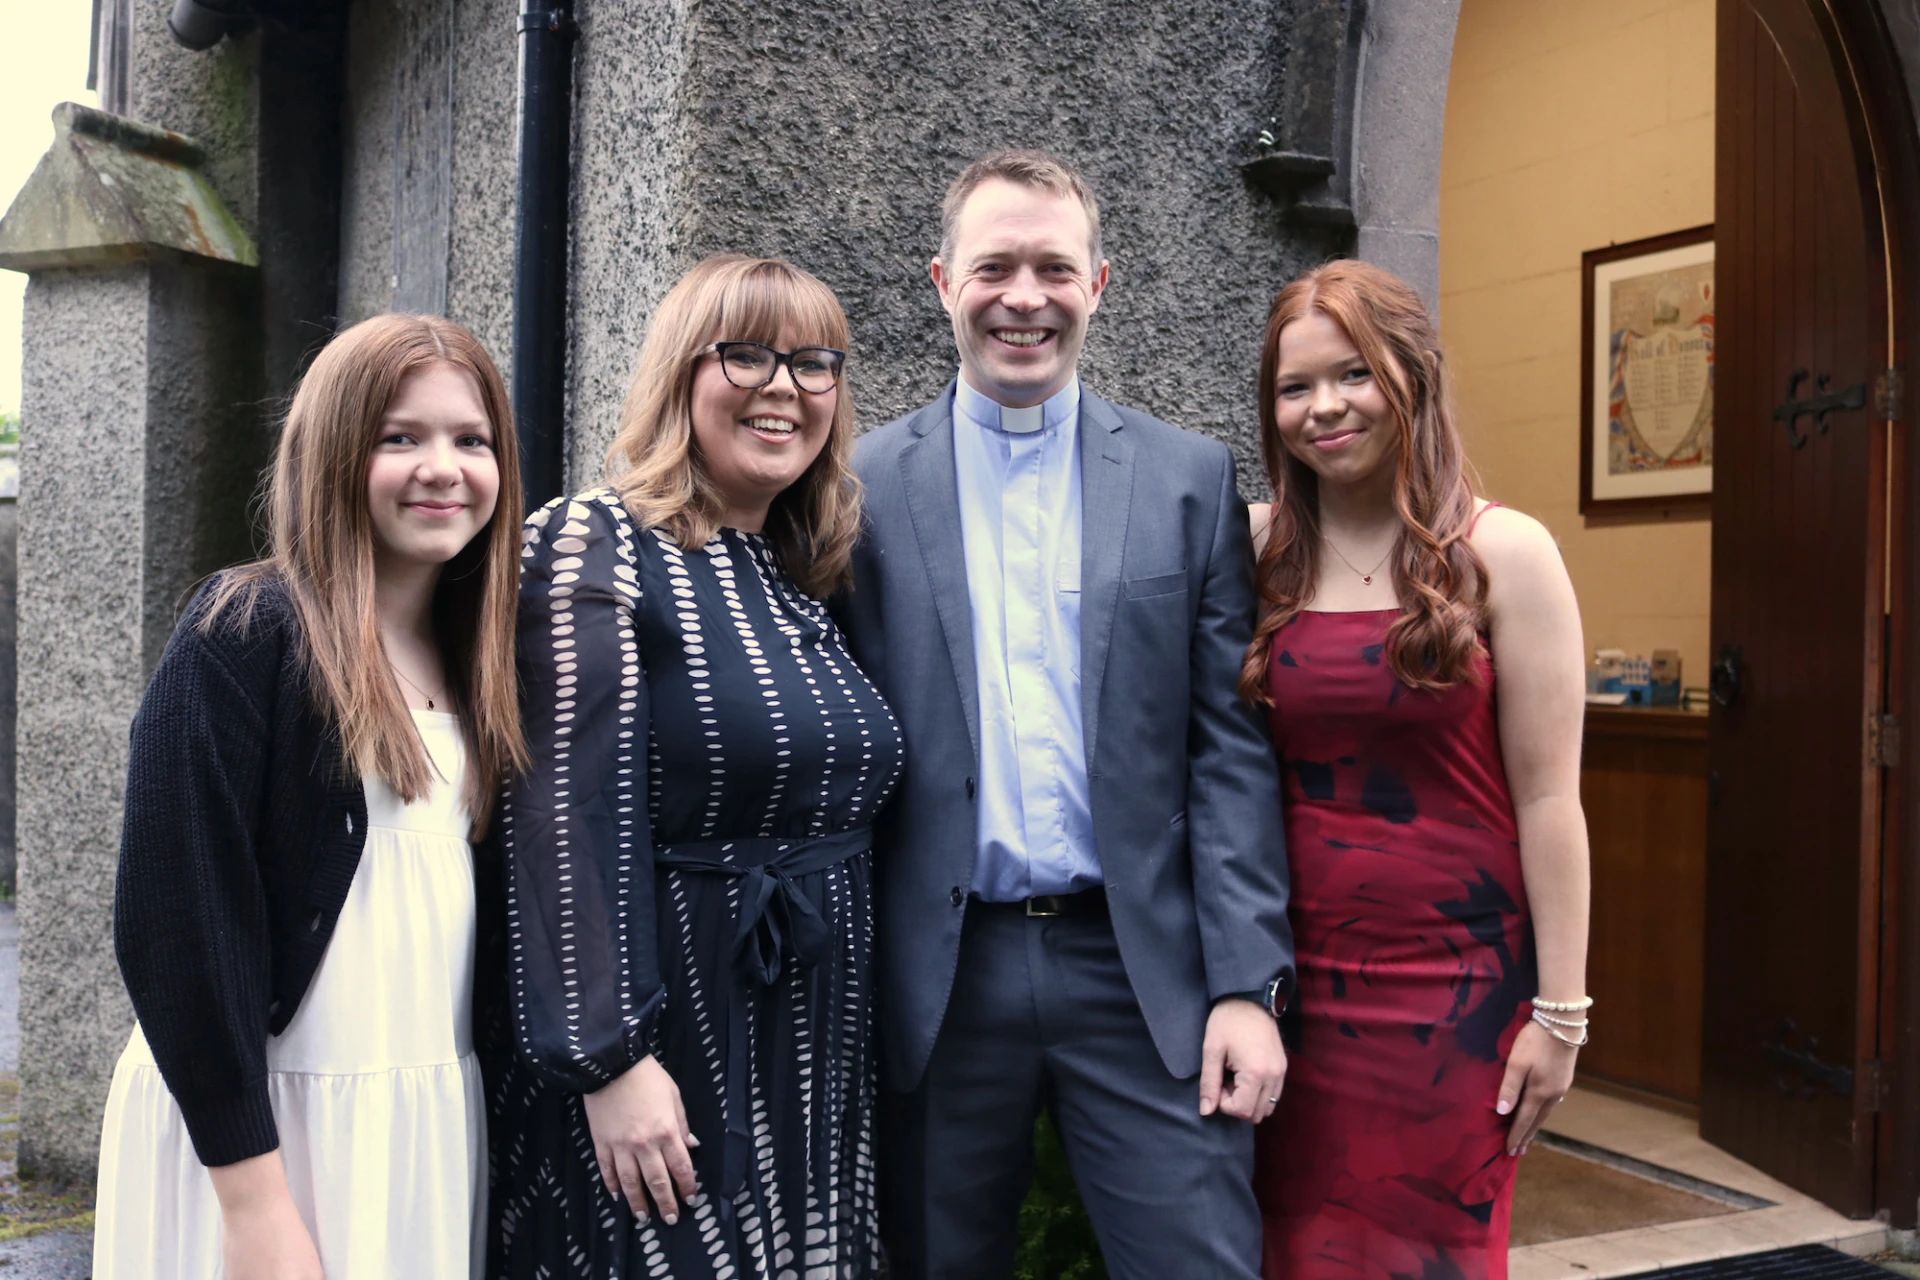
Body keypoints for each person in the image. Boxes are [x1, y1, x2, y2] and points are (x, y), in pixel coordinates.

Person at [834, 149, 1294, 1279]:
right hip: (943, 973)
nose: (1024, 296)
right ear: (943, 282)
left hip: (1142, 970)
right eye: (995, 266)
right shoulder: (858, 487)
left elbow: (1226, 754)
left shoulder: (1188, 481)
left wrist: (1248, 982)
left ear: (1102, 282)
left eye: (1054, 266)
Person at [488, 255, 901, 1278]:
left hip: (812, 1040)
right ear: (681, 372)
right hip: (673, 1027)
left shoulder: (806, 577)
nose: (784, 387)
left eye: (815, 363)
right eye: (747, 353)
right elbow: (560, 819)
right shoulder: (596, 543)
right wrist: (610, 1058)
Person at [93, 312, 526, 1279]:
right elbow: (174, 920)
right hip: (265, 1131)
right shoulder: (244, 631)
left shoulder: (485, 663)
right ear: (332, 453)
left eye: (472, 439)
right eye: (399, 437)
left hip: (418, 1123)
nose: (443, 467)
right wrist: (253, 1203)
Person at [1244, 259, 1591, 1280]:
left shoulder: (1504, 553)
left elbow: (1548, 796)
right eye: (1294, 385)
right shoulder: (1254, 551)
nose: (1324, 407)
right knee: (1292, 1253)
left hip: (1462, 999)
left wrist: (1561, 1012)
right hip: (1290, 994)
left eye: (1352, 374)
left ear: (1414, 375)